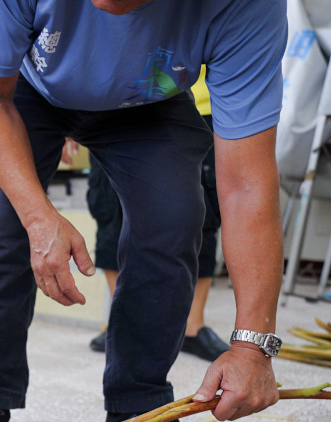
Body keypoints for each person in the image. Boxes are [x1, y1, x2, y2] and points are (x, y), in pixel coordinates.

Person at [0, 0, 287, 422]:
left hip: (151, 99)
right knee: (4, 225)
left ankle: (137, 408)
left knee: (174, 214)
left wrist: (253, 346)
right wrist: (40, 219)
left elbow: (248, 182)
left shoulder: (247, 6)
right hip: (30, 93)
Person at [80, 67, 230, 362]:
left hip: (199, 105)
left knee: (200, 216)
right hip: (108, 105)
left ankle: (191, 326)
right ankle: (123, 322)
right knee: (110, 211)